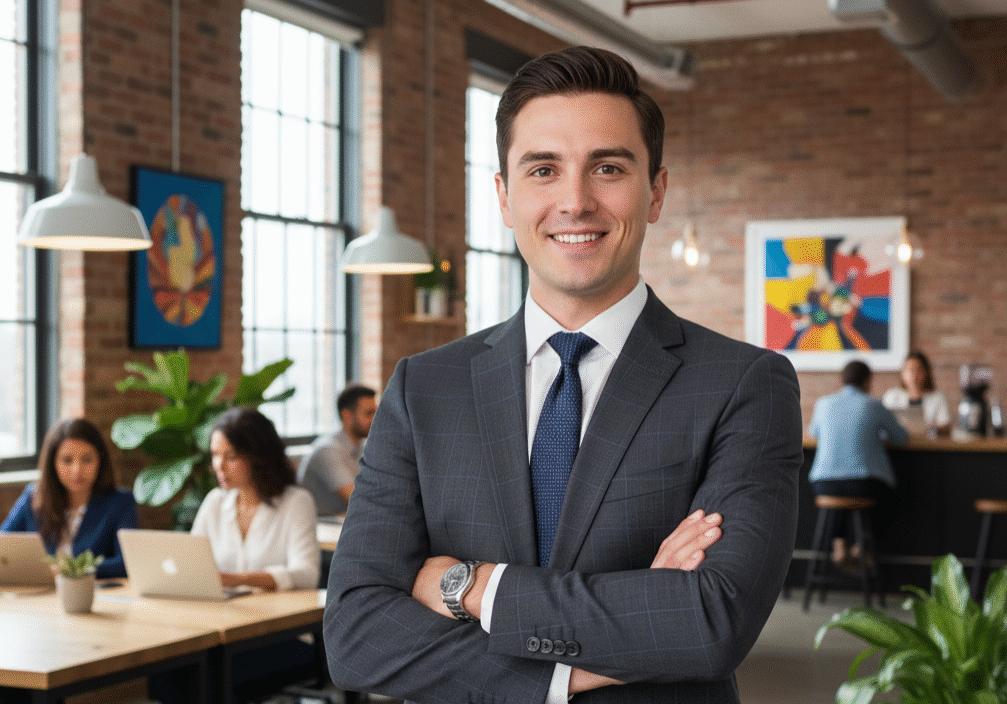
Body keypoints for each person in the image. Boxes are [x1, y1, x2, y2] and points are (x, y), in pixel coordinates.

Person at [324, 46, 803, 703]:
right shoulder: (422, 387)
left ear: (655, 190)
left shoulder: (743, 383)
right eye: (543, 169)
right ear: (503, 195)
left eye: (607, 167)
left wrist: (472, 585)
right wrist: (567, 672)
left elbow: (709, 622)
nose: (574, 202)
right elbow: (355, 635)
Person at [193, 406, 320, 591]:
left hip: (277, 614)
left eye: (231, 457)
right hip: (223, 613)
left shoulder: (296, 502)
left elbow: (307, 574)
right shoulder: (215, 502)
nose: (219, 466)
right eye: (215, 455)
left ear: (258, 457)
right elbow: (190, 563)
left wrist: (238, 579)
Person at [1, 418, 137, 579]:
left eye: (87, 460)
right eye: (67, 460)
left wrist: (69, 570)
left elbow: (126, 563)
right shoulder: (33, 496)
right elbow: (3, 546)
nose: (77, 470)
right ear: (53, 463)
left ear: (100, 460)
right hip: (36, 596)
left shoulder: (121, 502)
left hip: (92, 596)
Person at [808, 360, 909, 565]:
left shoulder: (823, 403)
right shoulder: (873, 404)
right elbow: (901, 438)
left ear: (842, 380)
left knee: (839, 496)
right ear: (867, 382)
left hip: (822, 483)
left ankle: (839, 547)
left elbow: (814, 433)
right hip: (864, 484)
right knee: (889, 497)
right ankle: (861, 547)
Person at [297, 384, 377, 515]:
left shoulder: (362, 447)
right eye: (369, 413)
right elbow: (358, 499)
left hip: (343, 521)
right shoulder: (327, 450)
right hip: (322, 526)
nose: (375, 419)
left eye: (375, 412)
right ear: (347, 416)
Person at [882, 350, 951, 436]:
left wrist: (930, 427)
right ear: (902, 373)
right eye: (910, 370)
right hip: (897, 444)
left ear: (926, 373)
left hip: (927, 445)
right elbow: (883, 423)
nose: (914, 375)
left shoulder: (938, 397)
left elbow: (946, 426)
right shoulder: (892, 396)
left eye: (918, 370)